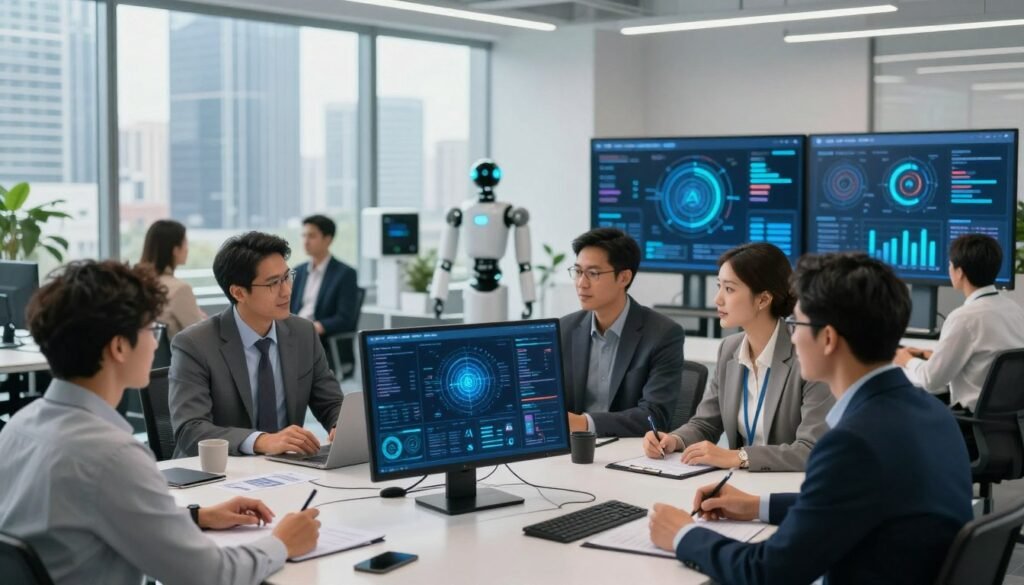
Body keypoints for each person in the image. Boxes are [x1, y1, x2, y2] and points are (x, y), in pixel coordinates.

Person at [648, 253, 972, 585]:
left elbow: (767, 572)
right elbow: (845, 501)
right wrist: (756, 505)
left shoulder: (852, 442)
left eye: (797, 323)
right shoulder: (932, 412)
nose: (792, 336)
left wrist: (683, 535)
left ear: (828, 339)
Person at [0, 260, 320, 585]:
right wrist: (281, 543)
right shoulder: (112, 456)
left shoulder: (17, 429)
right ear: (119, 347)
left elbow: (92, 515)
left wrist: (198, 516)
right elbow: (208, 575)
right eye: (149, 329)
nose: (155, 343)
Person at [642, 243, 832, 472]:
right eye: (718, 286)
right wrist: (674, 440)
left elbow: (811, 449)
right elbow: (705, 424)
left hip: (789, 491)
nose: (717, 299)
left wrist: (740, 457)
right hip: (740, 485)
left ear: (763, 300)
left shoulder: (807, 356)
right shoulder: (729, 349)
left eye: (729, 289)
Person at [169, 231, 344, 458]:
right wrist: (261, 441)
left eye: (287, 277)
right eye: (273, 283)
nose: (287, 291)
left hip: (287, 470)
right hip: (217, 475)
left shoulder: (303, 333)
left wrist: (340, 426)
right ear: (238, 292)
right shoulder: (194, 344)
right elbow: (190, 430)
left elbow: (331, 403)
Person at [560, 228, 684, 437]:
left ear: (624, 277)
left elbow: (654, 417)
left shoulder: (663, 334)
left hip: (628, 454)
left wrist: (583, 422)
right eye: (578, 271)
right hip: (572, 452)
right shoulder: (564, 329)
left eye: (593, 273)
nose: (582, 283)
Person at [896, 233, 1024, 412]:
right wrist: (933, 356)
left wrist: (906, 360)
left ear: (960, 272)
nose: (949, 268)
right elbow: (986, 360)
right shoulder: (1014, 309)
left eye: (950, 264)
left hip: (970, 424)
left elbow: (930, 381)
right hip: (1008, 425)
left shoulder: (964, 318)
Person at [290, 214, 360, 374]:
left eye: (312, 236)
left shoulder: (345, 274)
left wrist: (313, 328)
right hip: (295, 334)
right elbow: (289, 309)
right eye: (303, 235)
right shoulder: (298, 271)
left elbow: (345, 318)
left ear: (328, 239)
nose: (305, 241)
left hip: (323, 342)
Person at [139, 219, 206, 338]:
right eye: (185, 242)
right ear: (175, 250)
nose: (187, 248)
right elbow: (201, 336)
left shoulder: (139, 282)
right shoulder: (180, 289)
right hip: (176, 355)